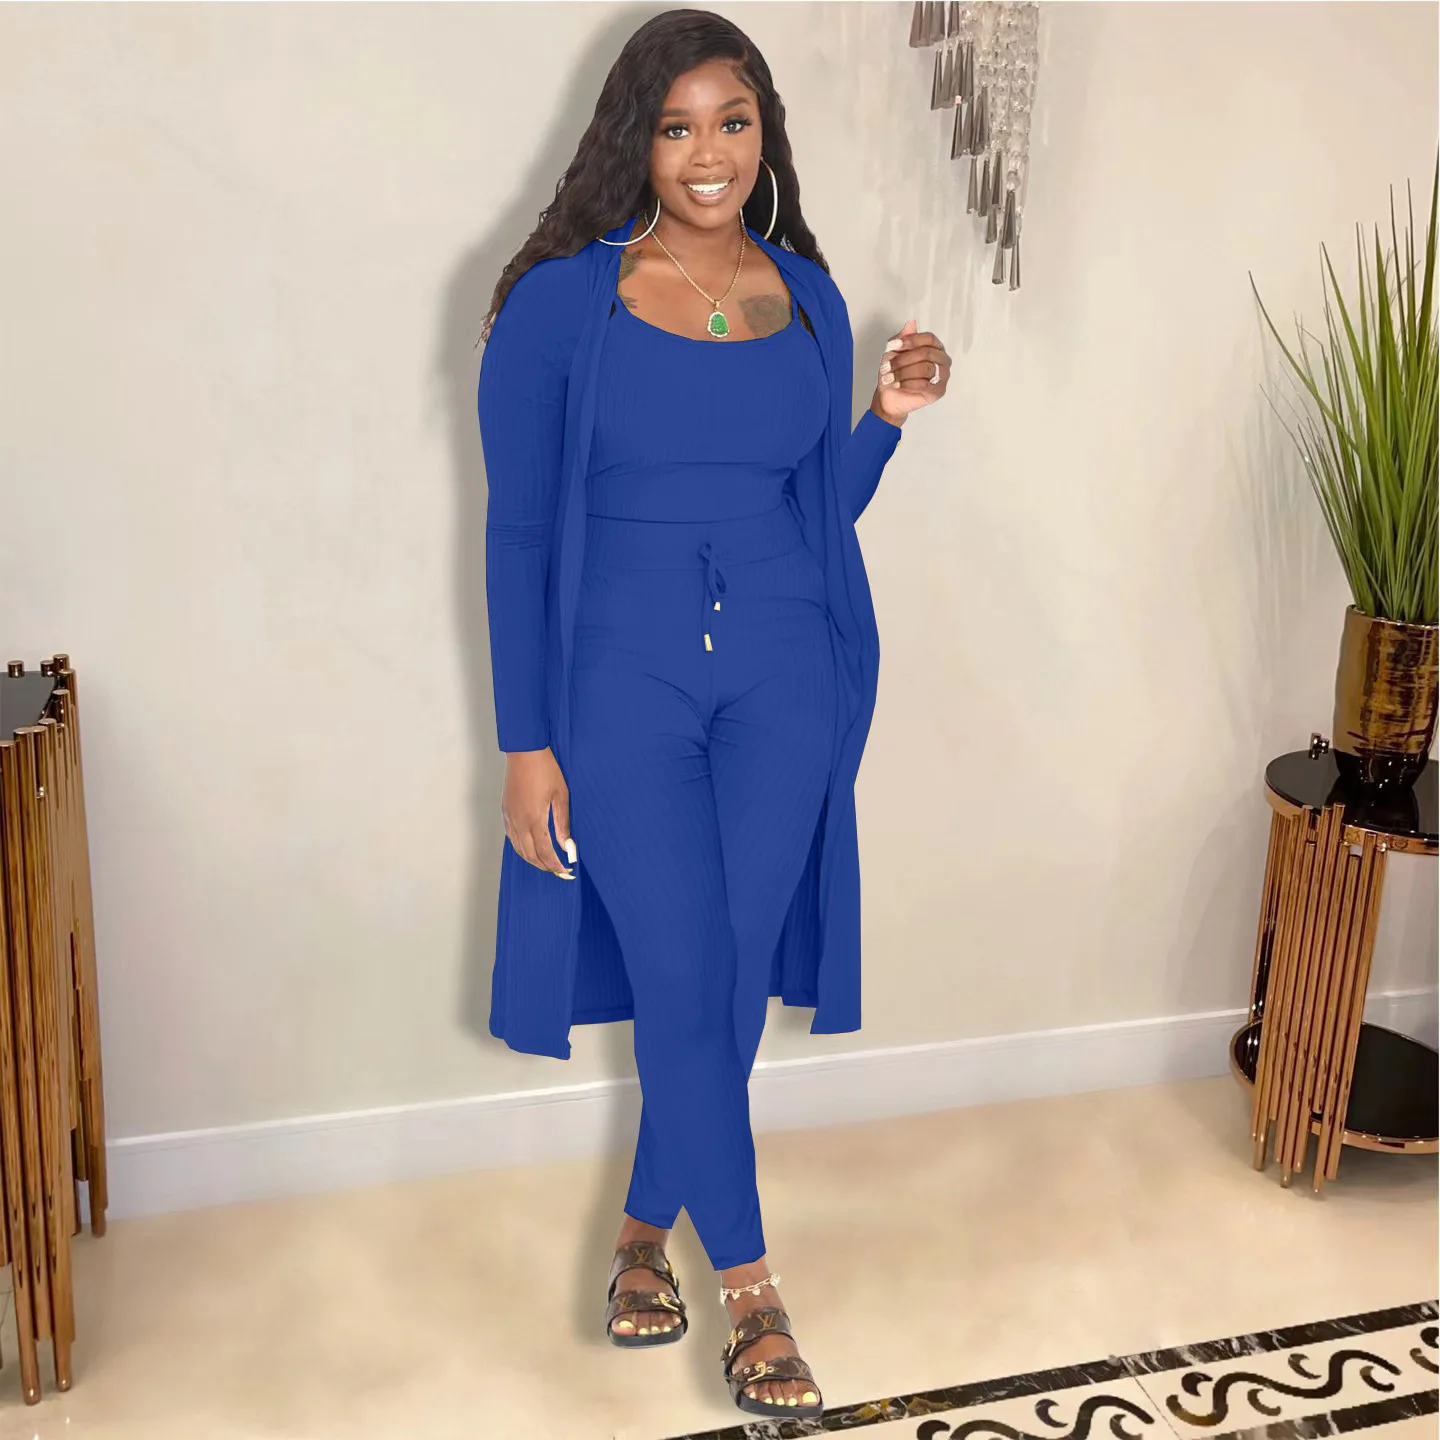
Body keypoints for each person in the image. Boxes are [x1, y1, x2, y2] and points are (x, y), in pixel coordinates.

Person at [476, 8, 950, 1420]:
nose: (707, 153)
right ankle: (750, 1290)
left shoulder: (804, 294)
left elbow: (815, 512)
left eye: (732, 122)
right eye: (677, 125)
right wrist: (524, 742)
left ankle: (641, 1232)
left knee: (727, 976)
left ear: (764, 135)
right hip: (619, 682)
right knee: (685, 967)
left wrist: (883, 420)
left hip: (786, 676)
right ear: (636, 137)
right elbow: (516, 535)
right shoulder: (560, 304)